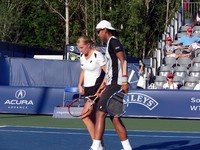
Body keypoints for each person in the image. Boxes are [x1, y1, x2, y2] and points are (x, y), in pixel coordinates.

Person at [90, 20, 132, 150]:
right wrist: (103, 84)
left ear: (105, 30)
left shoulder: (114, 41)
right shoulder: (110, 43)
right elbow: (111, 68)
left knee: (100, 113)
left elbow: (123, 60)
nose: (98, 35)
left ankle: (96, 147)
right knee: (114, 117)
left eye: (98, 32)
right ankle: (127, 148)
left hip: (116, 83)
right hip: (112, 83)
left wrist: (124, 81)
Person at [77, 36, 106, 145]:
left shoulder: (97, 55)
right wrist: (80, 84)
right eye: (79, 48)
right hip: (87, 89)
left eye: (82, 47)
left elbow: (107, 73)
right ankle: (100, 145)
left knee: (84, 115)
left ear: (88, 45)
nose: (80, 50)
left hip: (96, 89)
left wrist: (101, 88)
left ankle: (96, 145)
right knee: (92, 119)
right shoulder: (82, 56)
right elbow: (83, 71)